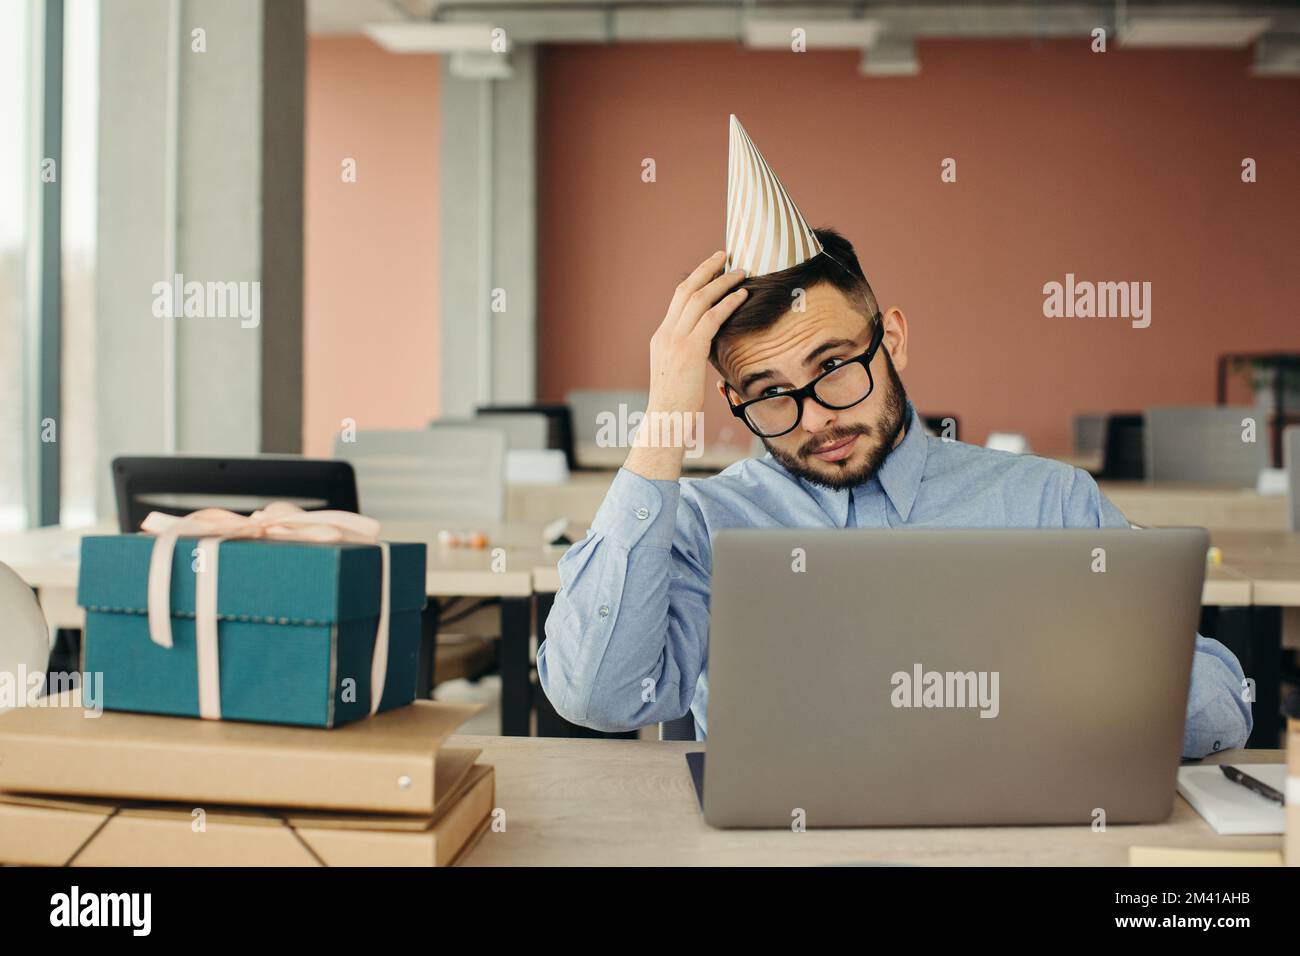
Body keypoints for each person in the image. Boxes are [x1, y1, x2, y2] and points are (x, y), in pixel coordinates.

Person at [538, 117, 1251, 758]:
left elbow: (1224, 709)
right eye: (770, 395)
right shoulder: (702, 524)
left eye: (835, 367)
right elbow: (598, 698)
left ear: (894, 341)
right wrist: (664, 414)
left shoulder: (1048, 502)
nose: (815, 417)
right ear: (733, 401)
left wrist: (1082, 663)